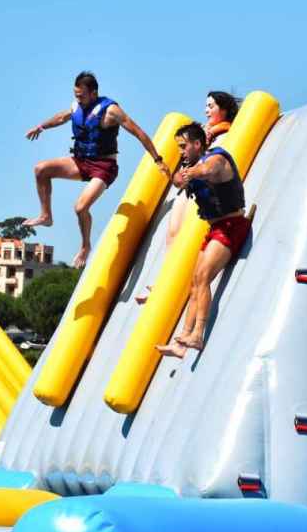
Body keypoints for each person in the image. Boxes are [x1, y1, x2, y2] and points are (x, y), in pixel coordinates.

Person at [24, 71, 171, 268]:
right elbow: (61, 117)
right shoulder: (76, 105)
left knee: (80, 207)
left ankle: (85, 246)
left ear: (93, 93)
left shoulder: (111, 110)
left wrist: (158, 159)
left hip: (104, 167)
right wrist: (41, 126)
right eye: (76, 95)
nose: (78, 99)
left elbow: (138, 132)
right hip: (81, 161)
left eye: (82, 96)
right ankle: (46, 216)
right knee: (41, 169)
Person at [136, 91, 241, 304]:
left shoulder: (225, 133)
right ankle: (165, 278)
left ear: (224, 110)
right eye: (206, 106)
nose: (206, 110)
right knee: (172, 233)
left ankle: (170, 282)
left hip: (205, 188)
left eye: (211, 106)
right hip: (189, 184)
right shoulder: (201, 132)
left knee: (181, 234)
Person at [156, 123, 251, 358]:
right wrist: (169, 171)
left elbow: (208, 170)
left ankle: (197, 335)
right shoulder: (191, 167)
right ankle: (181, 341)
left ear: (197, 144)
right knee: (194, 283)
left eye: (183, 146)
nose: (181, 151)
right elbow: (179, 182)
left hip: (232, 226)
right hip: (215, 228)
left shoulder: (217, 159)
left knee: (204, 277)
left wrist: (192, 172)